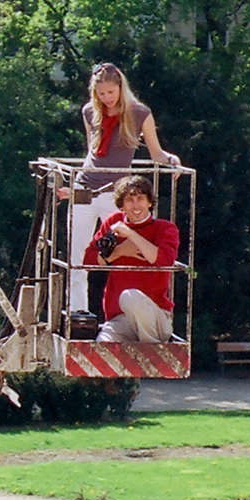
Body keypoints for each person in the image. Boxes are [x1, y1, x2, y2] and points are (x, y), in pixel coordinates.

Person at [65, 63, 180, 315]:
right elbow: (91, 153)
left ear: (120, 87)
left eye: (110, 92)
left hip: (116, 193)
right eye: (101, 94)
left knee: (122, 252)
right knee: (77, 256)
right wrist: (70, 189)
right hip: (85, 187)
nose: (106, 98)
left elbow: (156, 153)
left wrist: (172, 160)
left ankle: (127, 311)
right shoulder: (90, 112)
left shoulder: (139, 113)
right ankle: (77, 313)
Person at [83, 174, 179, 342]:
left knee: (130, 297)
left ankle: (153, 352)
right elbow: (89, 261)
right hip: (120, 319)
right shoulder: (113, 222)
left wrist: (131, 234)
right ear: (122, 205)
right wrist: (119, 251)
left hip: (155, 317)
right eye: (129, 200)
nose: (136, 205)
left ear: (150, 202)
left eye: (140, 199)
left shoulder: (165, 228)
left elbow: (164, 260)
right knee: (103, 346)